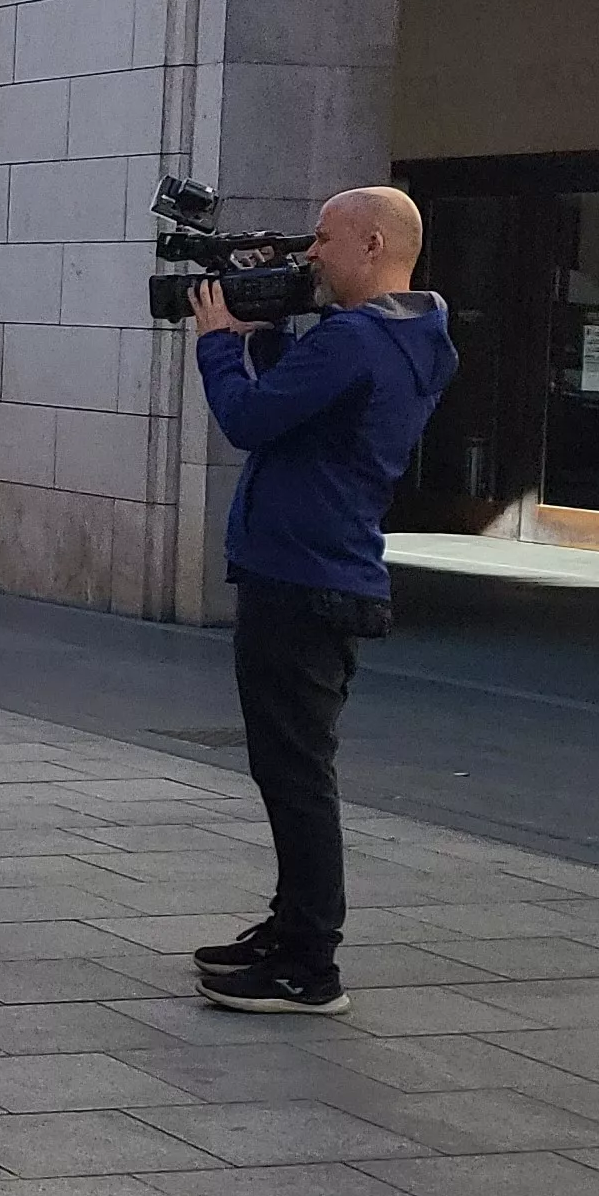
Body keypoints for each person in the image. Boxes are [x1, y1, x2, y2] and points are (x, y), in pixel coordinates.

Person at [188, 186, 454, 1017]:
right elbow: (304, 407)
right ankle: (291, 927)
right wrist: (264, 331)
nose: (310, 255)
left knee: (297, 774)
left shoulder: (356, 339)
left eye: (323, 240)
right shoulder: (415, 335)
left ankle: (310, 963)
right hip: (325, 569)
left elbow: (249, 417)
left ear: (373, 244)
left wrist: (219, 342)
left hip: (302, 577)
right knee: (291, 768)